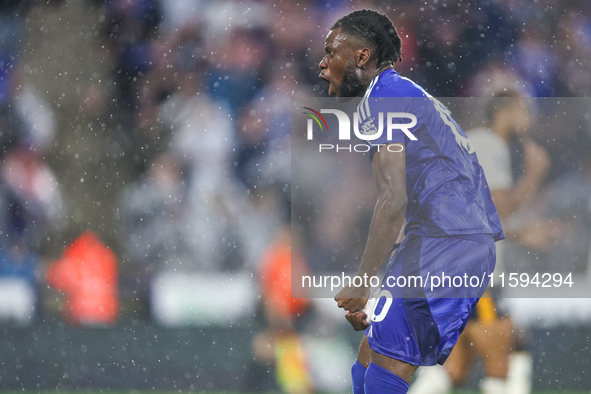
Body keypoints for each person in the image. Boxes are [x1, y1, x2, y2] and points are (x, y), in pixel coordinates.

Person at [318, 10, 504, 394]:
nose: (322, 63)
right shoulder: (401, 92)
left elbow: (393, 199)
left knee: (389, 367)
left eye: (330, 51)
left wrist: (364, 280)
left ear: (361, 56)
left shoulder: (383, 99)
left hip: (446, 242)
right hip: (444, 239)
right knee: (370, 358)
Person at [409, 92, 553, 394]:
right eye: (524, 112)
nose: (529, 120)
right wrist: (535, 174)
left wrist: (517, 233)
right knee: (503, 359)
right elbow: (496, 209)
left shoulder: (469, 141)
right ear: (504, 112)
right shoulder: (490, 145)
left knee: (455, 367)